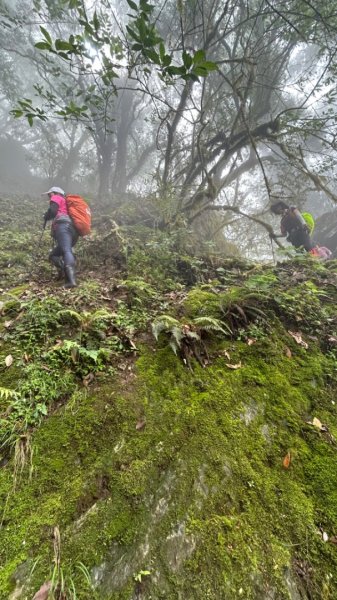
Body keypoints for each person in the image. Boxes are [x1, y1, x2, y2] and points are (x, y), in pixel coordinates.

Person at [42, 186, 78, 288]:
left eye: (49, 194)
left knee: (66, 251)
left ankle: (71, 281)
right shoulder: (66, 203)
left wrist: (46, 216)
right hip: (73, 230)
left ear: (54, 193)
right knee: (53, 255)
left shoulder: (57, 197)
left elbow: (53, 211)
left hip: (63, 227)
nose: (49, 197)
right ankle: (64, 271)